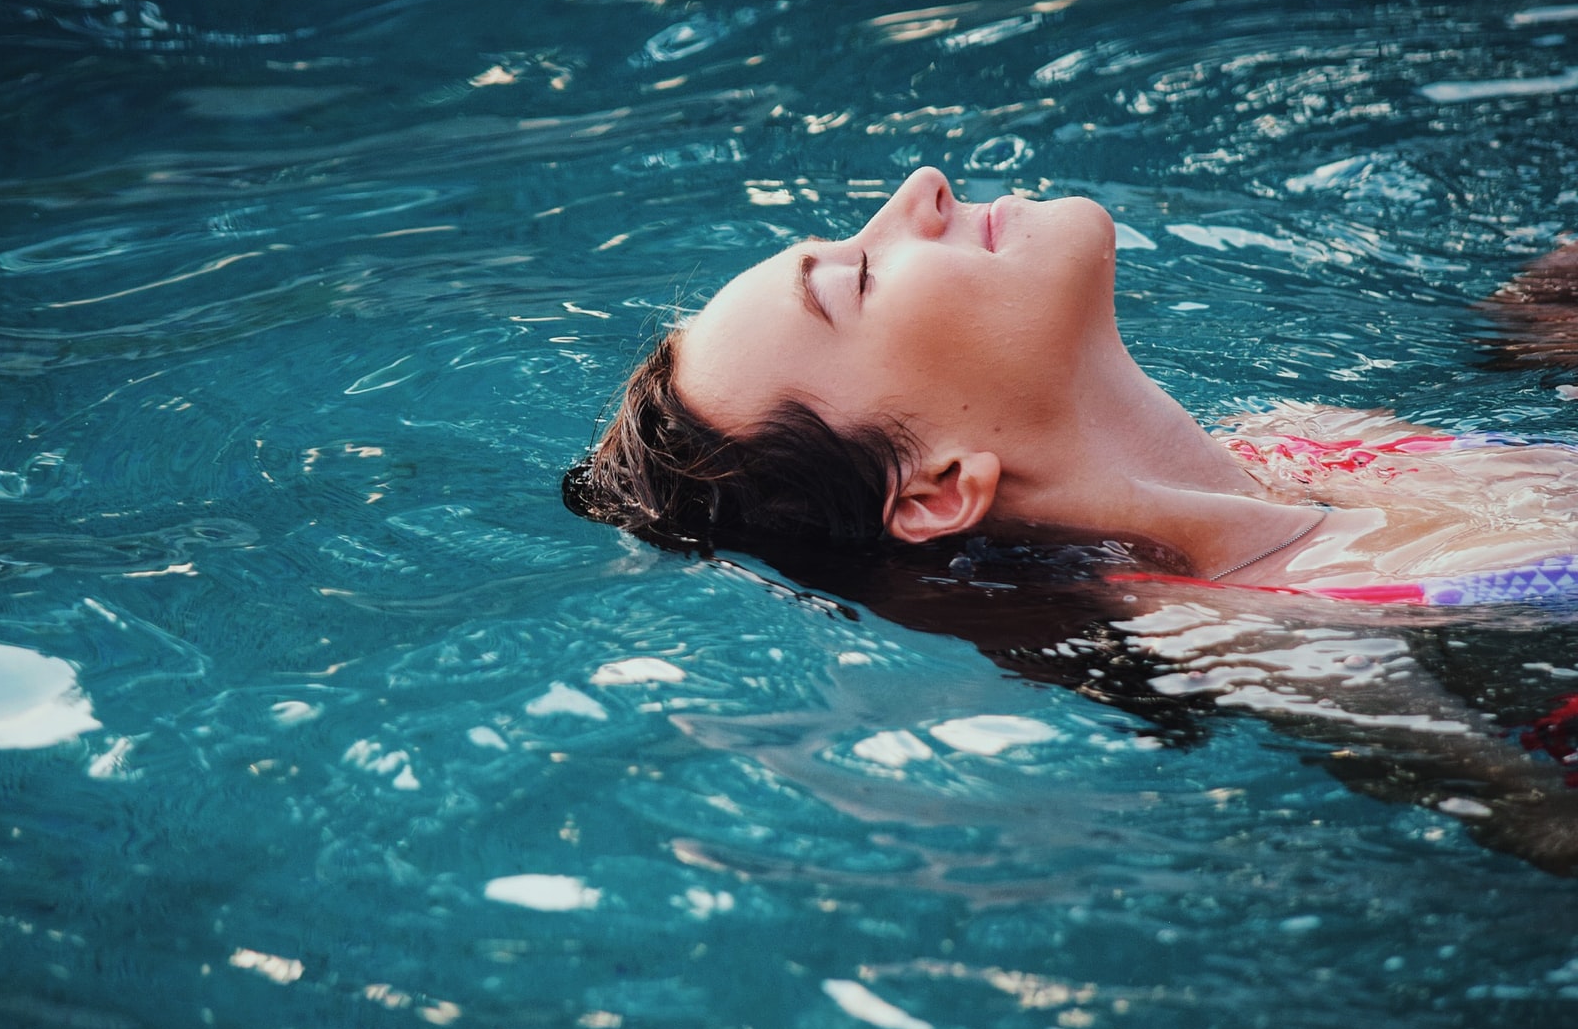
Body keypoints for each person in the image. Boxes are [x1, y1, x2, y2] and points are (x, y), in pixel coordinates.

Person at [566, 166, 1578, 606]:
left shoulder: (1299, 438)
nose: (921, 189)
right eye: (861, 278)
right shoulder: (1271, 631)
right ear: (932, 491)